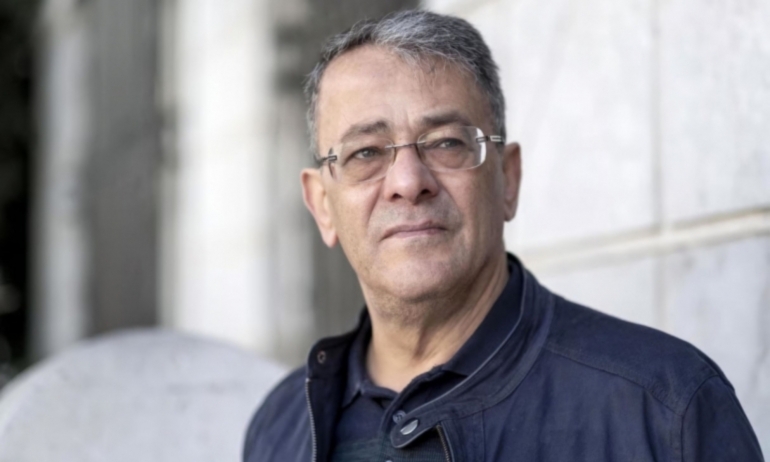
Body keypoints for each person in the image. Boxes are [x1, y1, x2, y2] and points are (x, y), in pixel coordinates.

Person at [243, 10, 763, 462]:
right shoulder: (280, 427)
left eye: (446, 143)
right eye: (365, 153)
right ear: (322, 204)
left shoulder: (665, 408)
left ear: (508, 180)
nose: (408, 182)